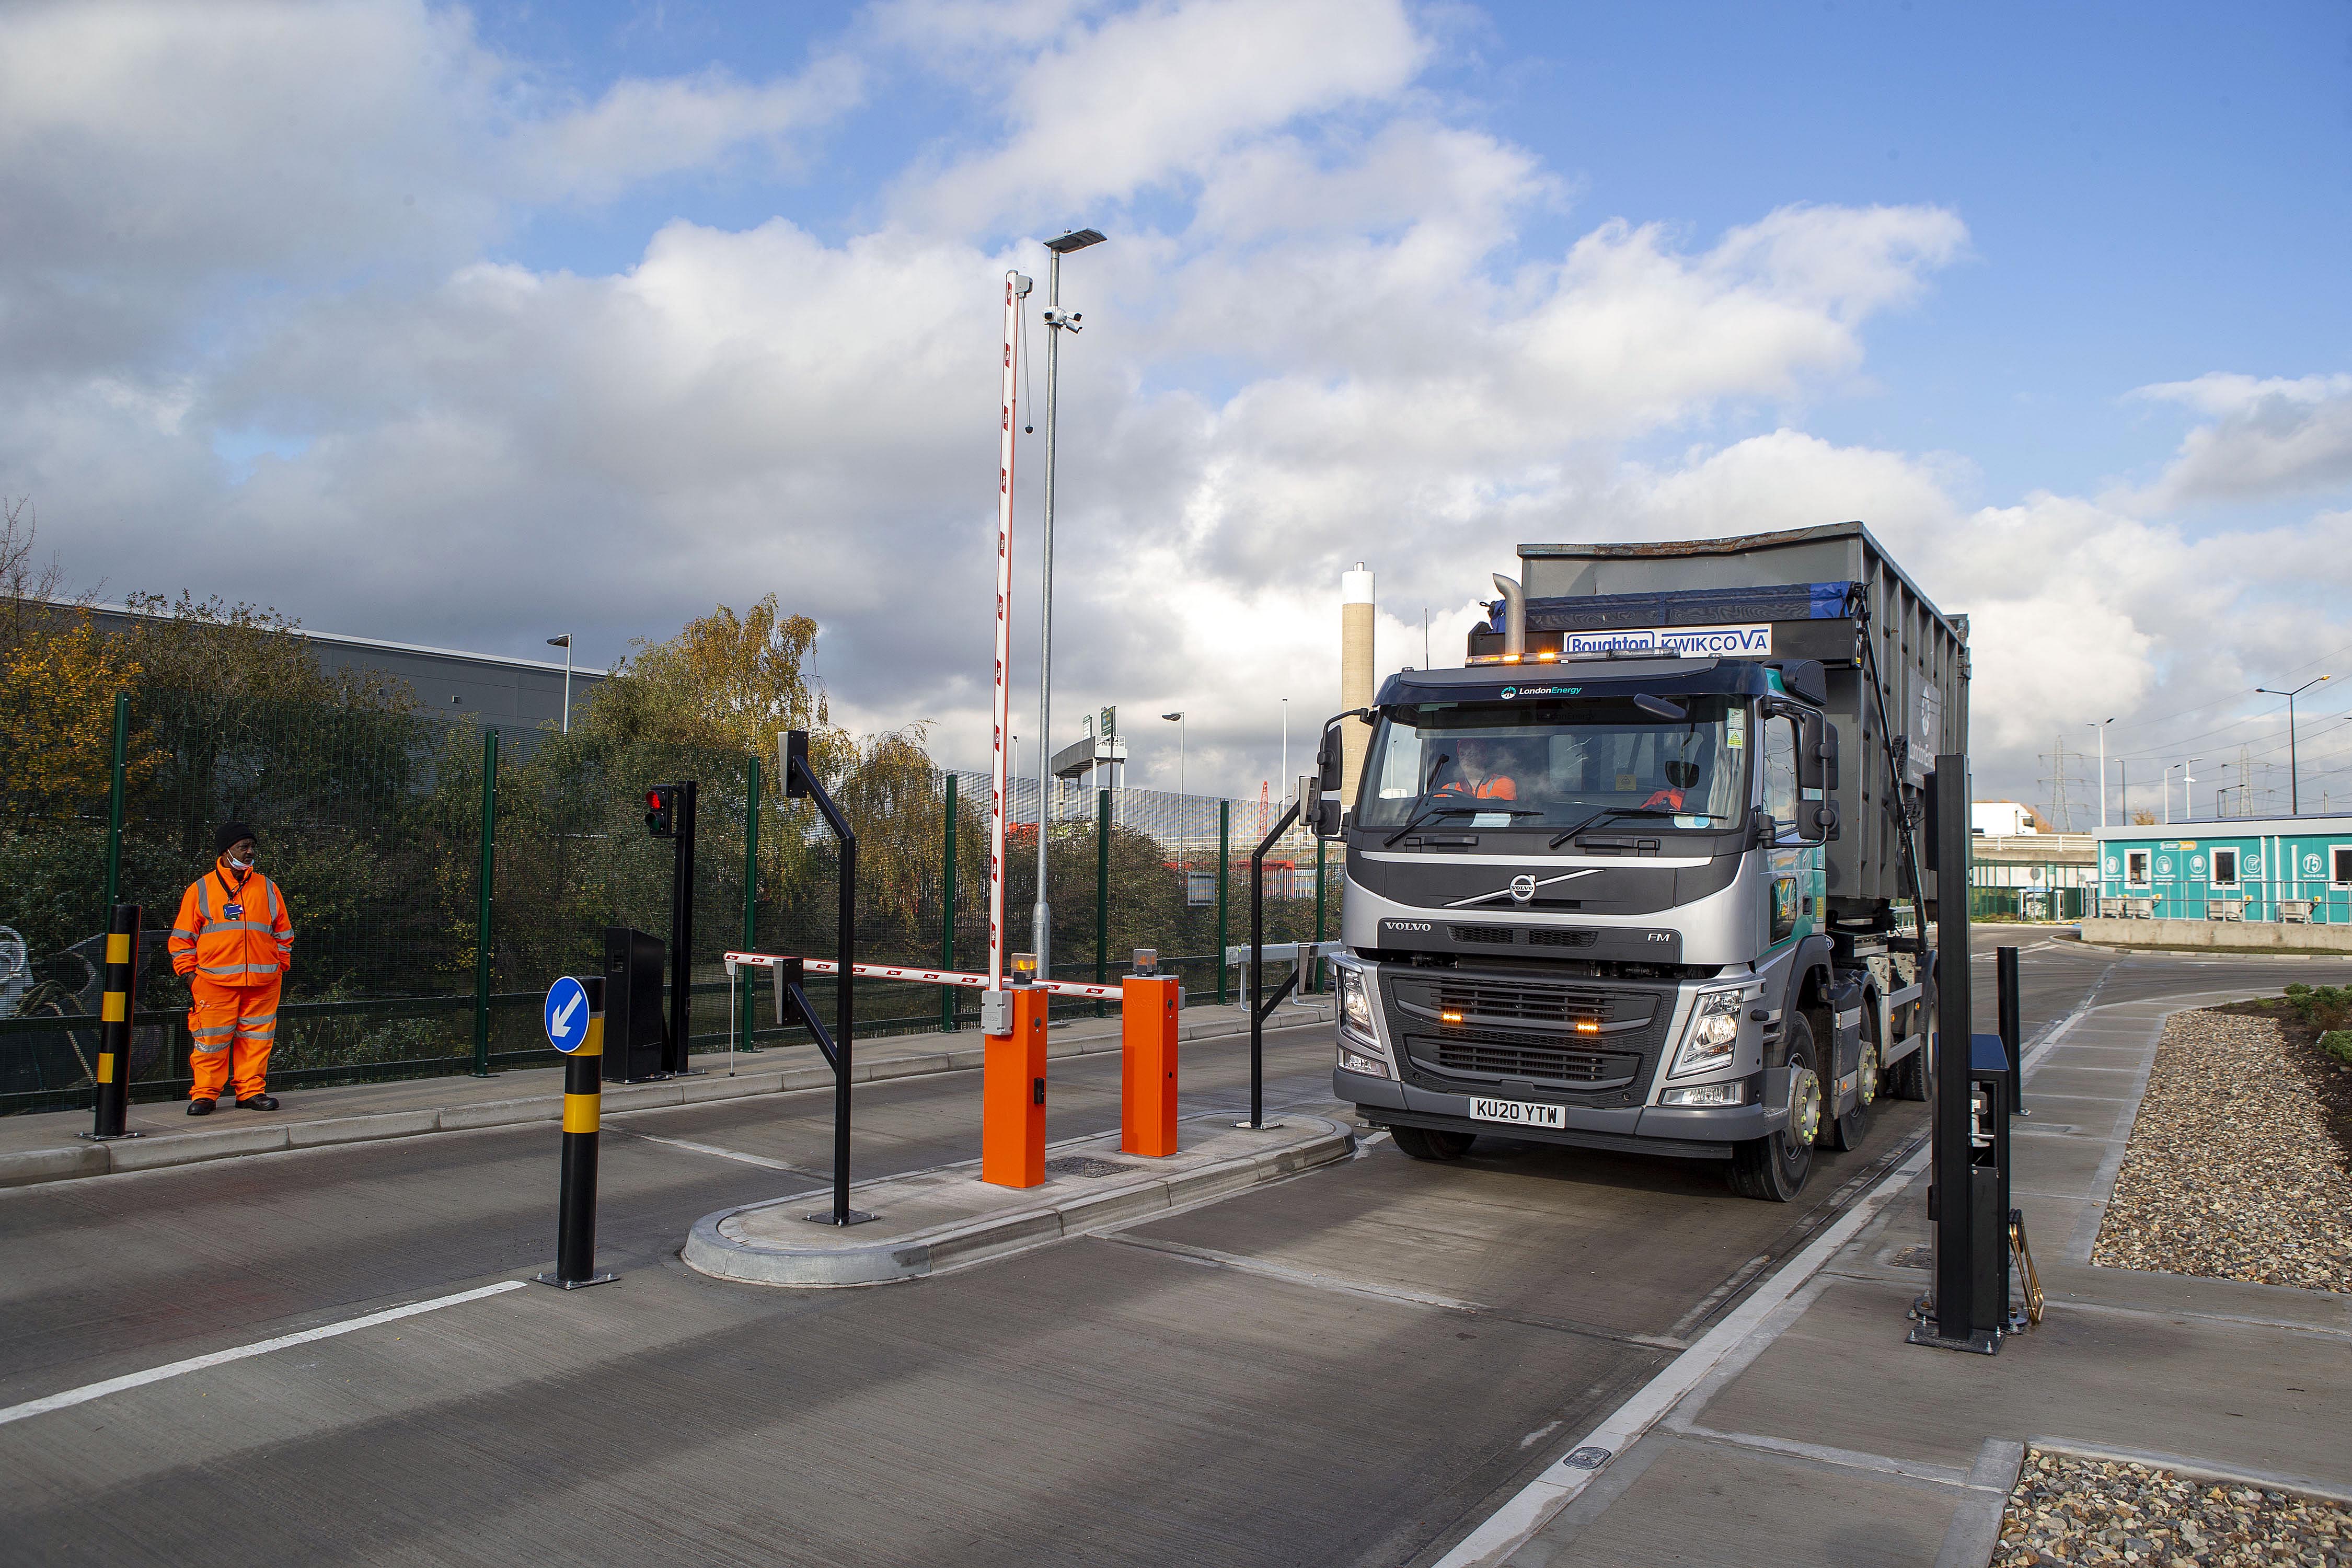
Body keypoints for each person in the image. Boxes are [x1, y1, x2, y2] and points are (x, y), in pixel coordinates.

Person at [169, 822, 294, 1114]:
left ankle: (251, 1092)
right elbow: (181, 938)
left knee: (257, 1040)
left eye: (252, 847)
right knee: (210, 1040)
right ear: (226, 851)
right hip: (213, 982)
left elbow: (284, 933)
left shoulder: (267, 887)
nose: (250, 852)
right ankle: (205, 1095)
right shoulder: (201, 889)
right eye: (244, 847)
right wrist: (190, 976)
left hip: (263, 982)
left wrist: (280, 966)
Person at [1435, 736, 1519, 801]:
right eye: (1463, 754)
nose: (1467, 758)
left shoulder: (1503, 782)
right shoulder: (1448, 789)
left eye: (1472, 753)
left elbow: (1494, 813)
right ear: (1459, 759)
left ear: (1484, 757)